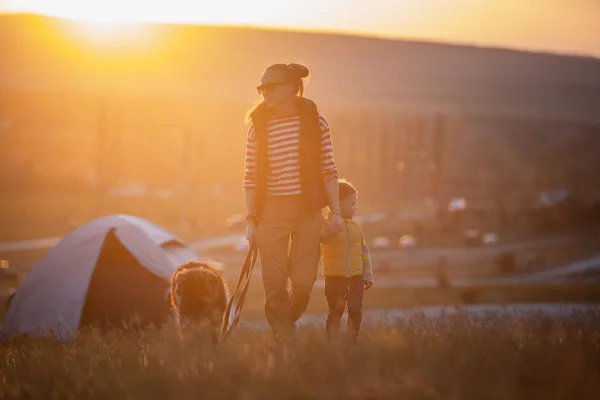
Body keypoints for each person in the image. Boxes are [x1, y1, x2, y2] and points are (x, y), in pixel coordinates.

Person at [242, 63, 343, 343]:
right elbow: (250, 176)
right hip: (271, 212)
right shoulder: (258, 128)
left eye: (271, 86)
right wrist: (251, 220)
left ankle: (285, 325)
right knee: (274, 285)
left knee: (302, 284)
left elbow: (328, 168)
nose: (265, 93)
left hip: (308, 210)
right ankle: (286, 341)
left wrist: (335, 213)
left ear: (291, 88)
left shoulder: (315, 122)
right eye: (261, 88)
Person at [321, 180, 373, 342]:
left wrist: (368, 275)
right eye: (352, 204)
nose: (355, 207)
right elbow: (323, 240)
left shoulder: (357, 228)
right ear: (339, 204)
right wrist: (331, 224)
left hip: (356, 278)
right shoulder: (327, 225)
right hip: (335, 278)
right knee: (335, 311)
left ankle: (351, 341)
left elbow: (364, 252)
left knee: (356, 310)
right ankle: (333, 342)